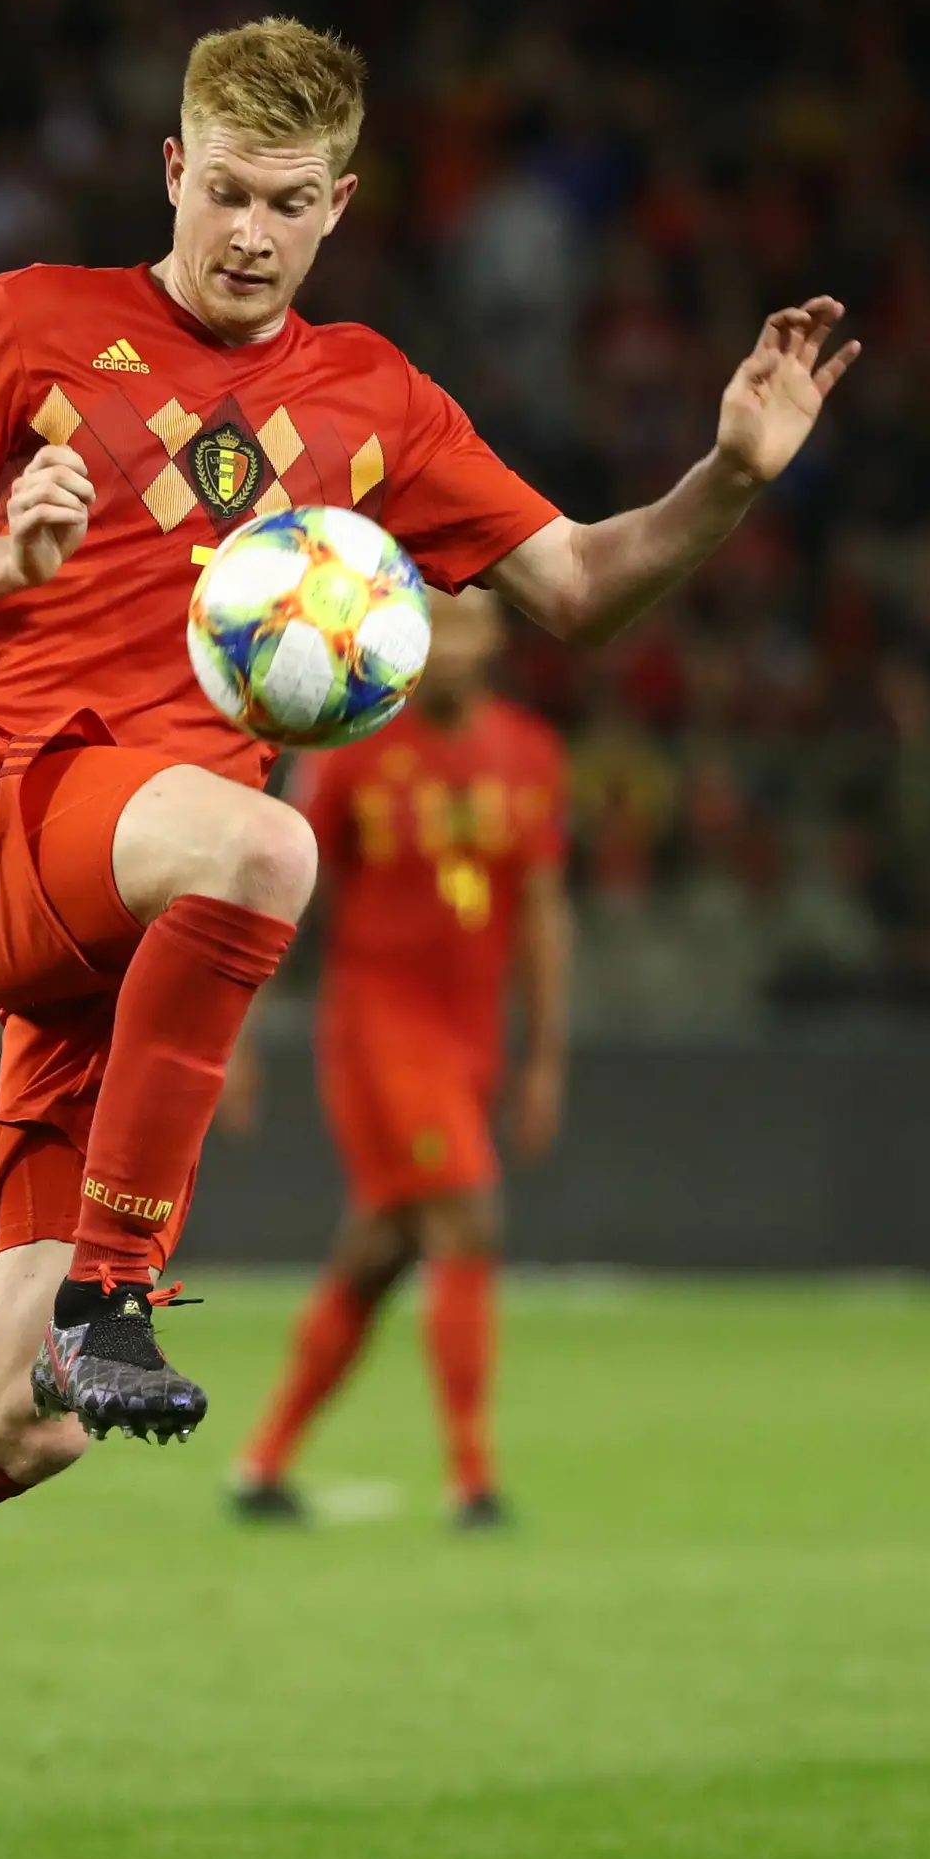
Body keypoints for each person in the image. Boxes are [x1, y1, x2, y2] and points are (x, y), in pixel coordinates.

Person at [0, 18, 857, 1837]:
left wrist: (735, 479)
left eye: (289, 202)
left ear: (342, 202)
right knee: (266, 842)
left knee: (22, 1424)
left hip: (133, 915)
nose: (249, 234)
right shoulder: (34, 324)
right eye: (223, 192)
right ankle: (126, 1284)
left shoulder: (379, 402)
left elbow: (583, 584)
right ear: (170, 171)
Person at [228, 588, 571, 1530]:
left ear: (497, 637)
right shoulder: (351, 748)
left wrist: (544, 1056)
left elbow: (541, 915)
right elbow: (281, 897)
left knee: (381, 1249)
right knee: (468, 1214)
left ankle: (261, 1464)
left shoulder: (530, 753)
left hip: (472, 1039)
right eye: (437, 624)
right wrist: (236, 1031)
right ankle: (474, 1478)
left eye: (470, 624)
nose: (453, 643)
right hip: (378, 1030)